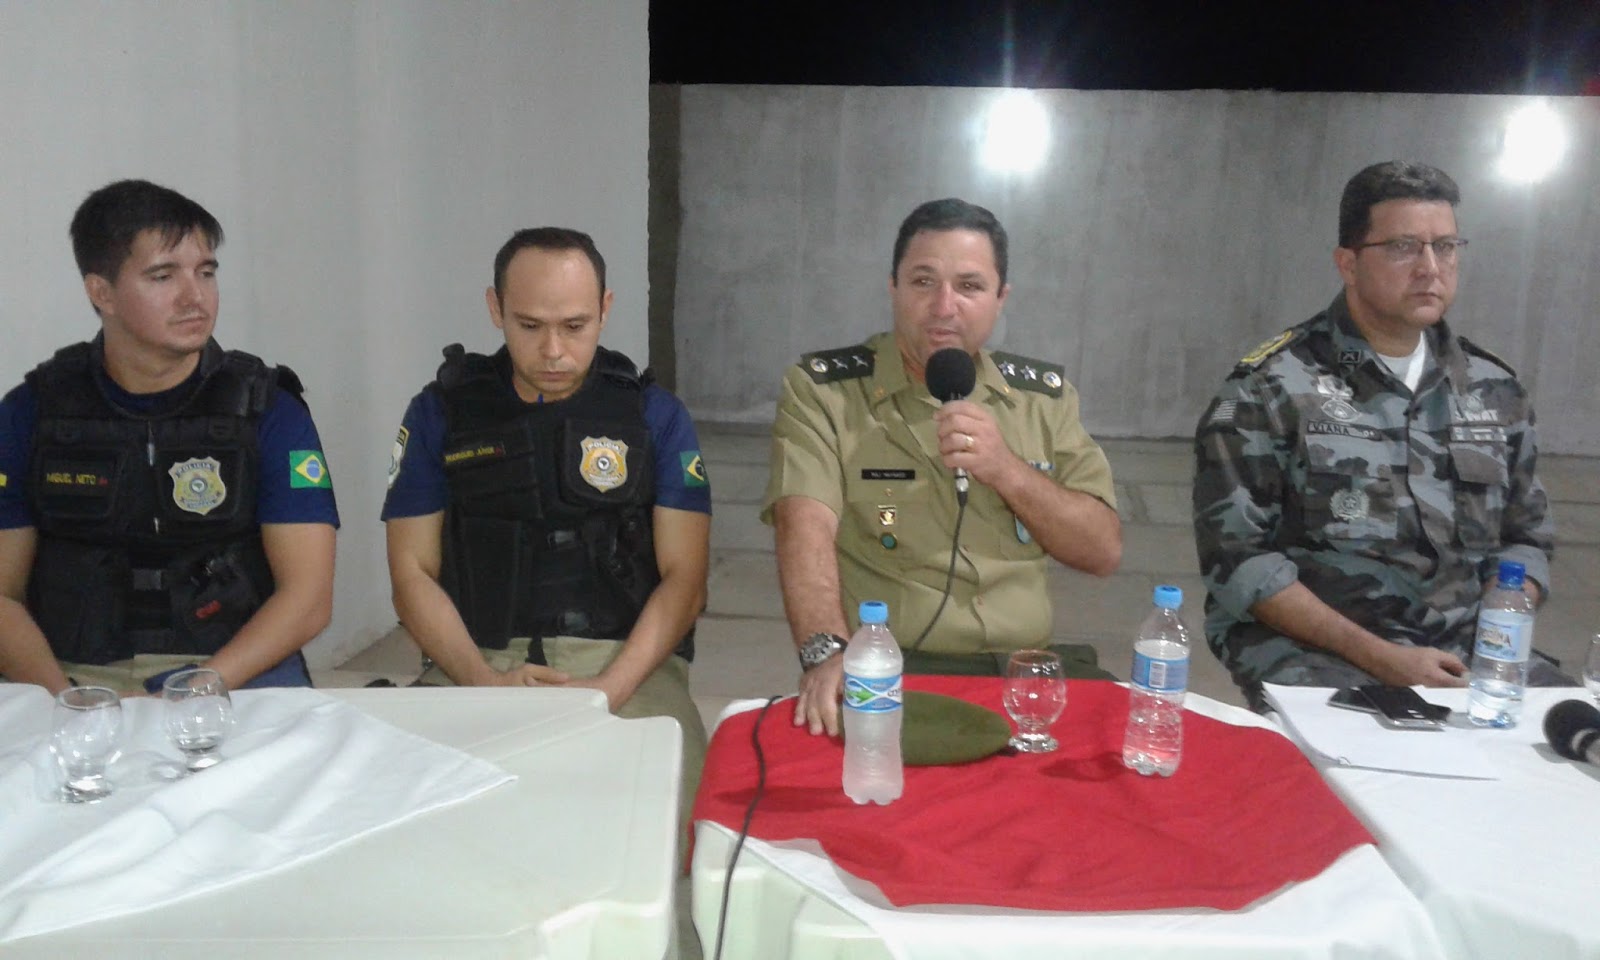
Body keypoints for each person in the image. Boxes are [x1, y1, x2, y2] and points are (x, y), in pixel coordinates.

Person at [1193, 161, 1555, 710]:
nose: (1430, 268)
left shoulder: (1493, 389)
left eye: (1445, 247)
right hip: (1319, 653)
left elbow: (1527, 538)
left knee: (1575, 736)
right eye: (1404, 247)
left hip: (1469, 651)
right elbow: (1239, 560)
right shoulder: (1270, 389)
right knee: (1365, 757)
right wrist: (1385, 660)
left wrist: (1502, 624)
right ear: (1348, 263)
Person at [764, 198, 1123, 736]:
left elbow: (1101, 550)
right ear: (893, 287)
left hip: (1025, 671)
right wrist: (827, 653)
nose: (943, 307)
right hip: (892, 666)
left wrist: (1006, 469)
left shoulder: (1043, 401)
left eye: (970, 286)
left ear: (1001, 299)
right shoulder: (826, 394)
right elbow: (804, 526)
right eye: (923, 282)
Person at [382, 227, 711, 813]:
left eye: (575, 326)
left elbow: (685, 580)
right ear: (495, 309)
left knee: (672, 817)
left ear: (605, 309)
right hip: (476, 662)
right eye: (530, 326)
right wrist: (484, 684)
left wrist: (607, 690)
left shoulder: (653, 415)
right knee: (404, 809)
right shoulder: (442, 412)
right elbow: (411, 574)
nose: (554, 350)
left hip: (626, 665)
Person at [0, 179, 338, 695]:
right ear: (101, 292)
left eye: (206, 272)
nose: (194, 297)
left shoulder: (268, 410)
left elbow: (308, 599)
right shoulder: (32, 413)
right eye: (163, 276)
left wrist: (193, 691)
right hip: (70, 675)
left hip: (234, 674)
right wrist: (67, 702)